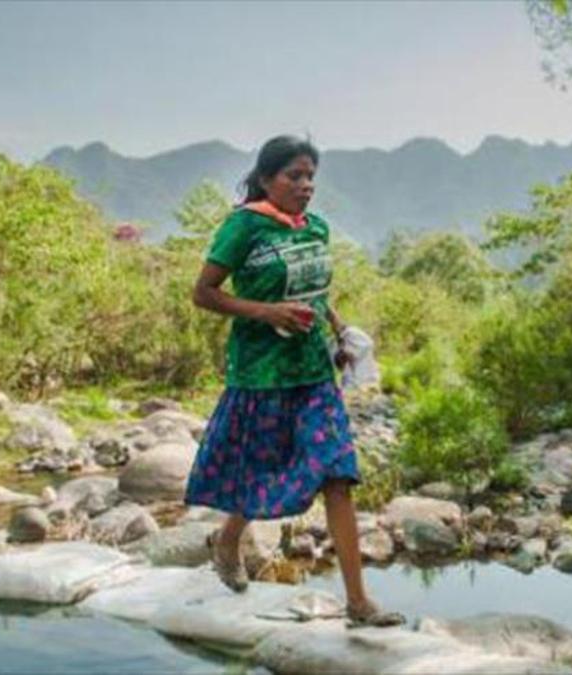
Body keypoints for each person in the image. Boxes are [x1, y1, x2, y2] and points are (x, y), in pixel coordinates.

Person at [184, 135, 404, 628]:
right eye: (294, 176)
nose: (306, 186)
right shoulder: (244, 228)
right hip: (262, 373)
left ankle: (358, 603)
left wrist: (341, 330)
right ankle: (227, 538)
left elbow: (316, 292)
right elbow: (203, 293)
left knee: (337, 474)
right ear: (267, 179)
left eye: (311, 178)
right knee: (263, 469)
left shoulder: (316, 229)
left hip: (313, 373)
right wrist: (264, 311)